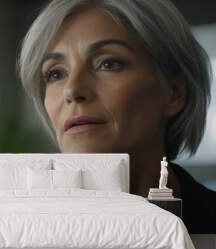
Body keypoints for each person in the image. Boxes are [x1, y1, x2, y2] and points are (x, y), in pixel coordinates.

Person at [18, 0, 216, 233]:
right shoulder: (14, 234)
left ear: (174, 93)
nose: (72, 90)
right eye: (55, 73)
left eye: (108, 63)